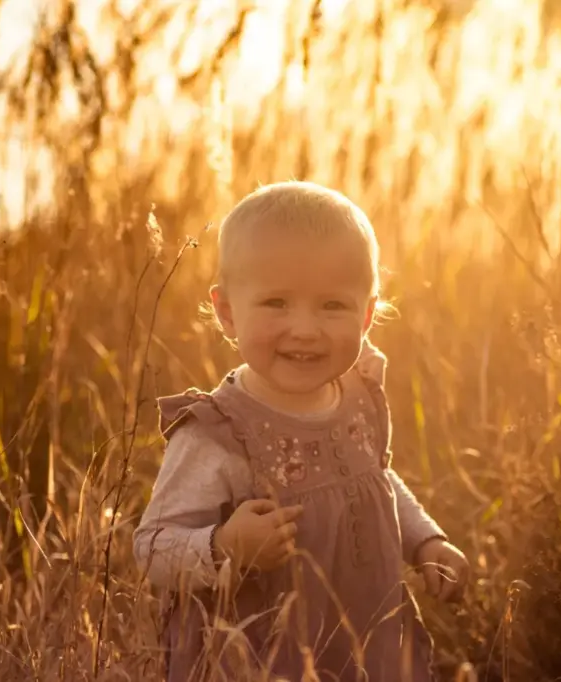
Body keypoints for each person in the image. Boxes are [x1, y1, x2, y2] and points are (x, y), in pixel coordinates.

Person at [132, 180, 470, 681]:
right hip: (265, 659)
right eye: (276, 303)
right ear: (227, 312)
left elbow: (375, 479)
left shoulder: (357, 396)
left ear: (367, 315)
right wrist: (224, 546)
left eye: (333, 306)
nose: (306, 329)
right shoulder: (218, 432)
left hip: (367, 642)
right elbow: (153, 547)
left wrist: (424, 542)